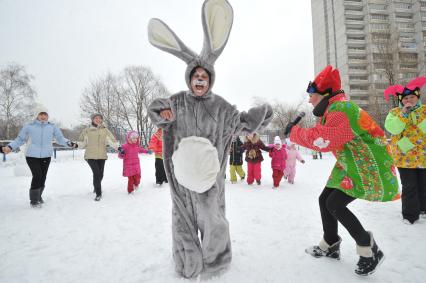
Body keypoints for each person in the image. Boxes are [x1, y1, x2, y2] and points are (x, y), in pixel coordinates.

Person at [147, 0, 272, 278]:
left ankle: (216, 260)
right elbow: (156, 110)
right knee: (182, 221)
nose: (200, 79)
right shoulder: (177, 102)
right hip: (180, 181)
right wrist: (163, 112)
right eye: (196, 76)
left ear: (210, 79)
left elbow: (240, 123)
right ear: (189, 79)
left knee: (213, 220)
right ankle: (186, 261)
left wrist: (260, 114)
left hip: (208, 181)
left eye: (204, 76)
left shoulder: (222, 106)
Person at [285, 65, 399, 276]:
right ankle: (330, 244)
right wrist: (297, 132)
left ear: (326, 95)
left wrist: (294, 132)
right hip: (351, 162)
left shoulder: (342, 110)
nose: (310, 100)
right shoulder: (334, 110)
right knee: (324, 200)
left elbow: (323, 140)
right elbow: (324, 133)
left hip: (368, 163)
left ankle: (369, 248)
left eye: (312, 95)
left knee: (334, 204)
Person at [2, 109, 75, 207]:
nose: (43, 117)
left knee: (43, 177)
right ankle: (34, 201)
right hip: (32, 155)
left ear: (48, 116)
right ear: (37, 115)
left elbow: (60, 138)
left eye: (45, 115)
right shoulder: (29, 126)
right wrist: (10, 147)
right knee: (37, 175)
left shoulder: (52, 127)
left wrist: (69, 143)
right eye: (41, 114)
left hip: (46, 155)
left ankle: (38, 196)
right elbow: (20, 139)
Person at [384, 77, 426, 224]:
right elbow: (393, 128)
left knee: (423, 184)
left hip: (423, 156)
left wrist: (418, 117)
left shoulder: (424, 111)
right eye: (406, 98)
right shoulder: (395, 112)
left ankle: (423, 209)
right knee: (409, 186)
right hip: (404, 157)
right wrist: (403, 114)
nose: (409, 100)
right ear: (401, 100)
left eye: (412, 97)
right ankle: (409, 215)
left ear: (418, 97)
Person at [77, 113, 118, 201]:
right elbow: (82, 142)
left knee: (100, 174)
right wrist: (76, 145)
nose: (98, 119)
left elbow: (111, 140)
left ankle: (96, 186)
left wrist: (118, 147)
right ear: (92, 119)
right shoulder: (87, 130)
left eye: (100, 118)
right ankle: (98, 193)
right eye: (96, 118)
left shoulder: (105, 130)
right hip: (90, 156)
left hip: (102, 155)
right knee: (97, 173)